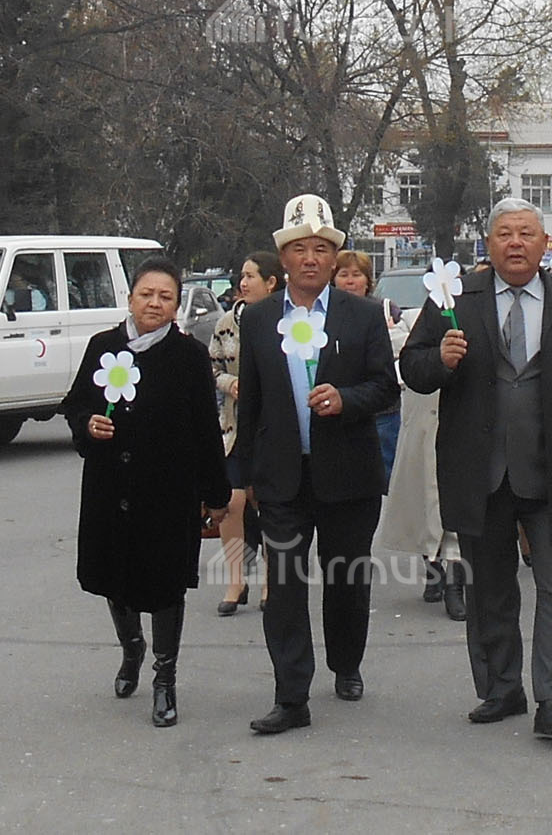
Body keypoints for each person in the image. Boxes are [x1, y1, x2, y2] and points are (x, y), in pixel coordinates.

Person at [400, 198, 552, 745]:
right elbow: (412, 368)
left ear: (544, 244)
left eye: (526, 234)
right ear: (488, 244)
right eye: (505, 234)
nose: (516, 243)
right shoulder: (453, 301)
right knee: (490, 588)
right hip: (480, 471)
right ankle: (501, 687)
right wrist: (440, 360)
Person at [236, 195, 401, 735]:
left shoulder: (362, 315)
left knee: (346, 578)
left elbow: (385, 387)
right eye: (300, 249)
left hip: (349, 473)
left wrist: (345, 399)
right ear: (283, 258)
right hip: (283, 476)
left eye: (321, 249)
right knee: (283, 585)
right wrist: (244, 474)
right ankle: (291, 696)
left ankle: (346, 662)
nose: (311, 258)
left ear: (334, 258)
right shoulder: (260, 319)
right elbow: (251, 400)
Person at [63, 256, 229, 728]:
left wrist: (216, 495)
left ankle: (164, 677)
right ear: (130, 298)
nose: (154, 303)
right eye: (146, 294)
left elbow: (206, 429)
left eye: (165, 297)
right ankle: (131, 647)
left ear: (177, 306)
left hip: (168, 491)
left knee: (165, 584)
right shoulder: (103, 346)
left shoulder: (188, 356)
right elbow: (76, 404)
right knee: (113, 576)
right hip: (110, 486)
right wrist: (87, 425)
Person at [375, 300, 467, 622]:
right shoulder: (414, 316)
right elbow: (407, 356)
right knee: (424, 496)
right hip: (423, 412)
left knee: (454, 502)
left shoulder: (479, 308)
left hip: (462, 417)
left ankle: (455, 581)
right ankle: (432, 565)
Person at [208, 250, 283, 616]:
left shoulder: (284, 321)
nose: (243, 282)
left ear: (271, 282)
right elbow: (213, 367)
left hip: (271, 427)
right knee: (232, 501)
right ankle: (236, 580)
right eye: (242, 275)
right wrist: (230, 384)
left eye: (251, 276)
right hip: (234, 427)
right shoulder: (227, 323)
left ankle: (271, 580)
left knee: (267, 503)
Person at [332, 248, 404, 490]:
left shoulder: (385, 310)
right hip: (341, 408)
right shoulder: (324, 314)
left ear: (368, 280)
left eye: (356, 275)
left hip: (383, 412)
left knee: (386, 474)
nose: (350, 281)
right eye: (343, 275)